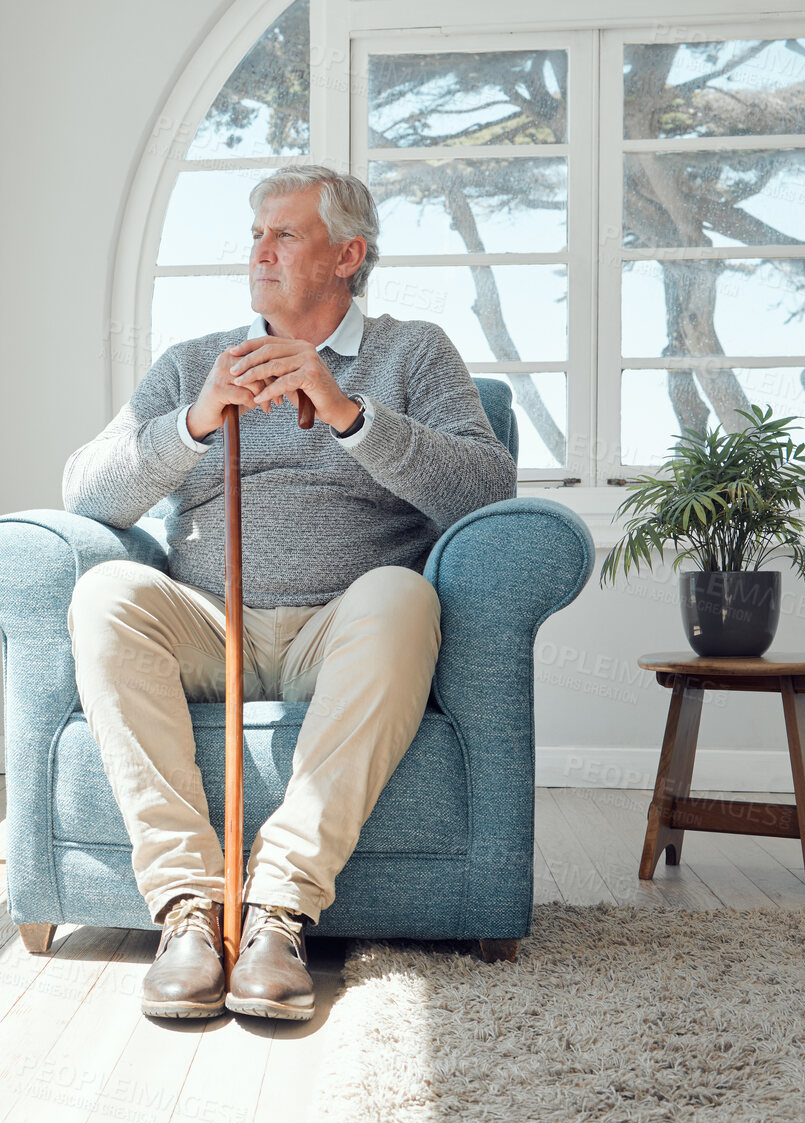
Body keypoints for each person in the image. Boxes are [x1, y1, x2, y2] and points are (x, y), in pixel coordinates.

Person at [61, 164, 516, 1021]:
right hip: (209, 626)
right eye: (255, 234)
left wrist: (348, 413)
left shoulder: (411, 351)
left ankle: (278, 908)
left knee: (402, 594)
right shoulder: (191, 362)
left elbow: (487, 491)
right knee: (106, 593)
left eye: (285, 234)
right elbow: (87, 495)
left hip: (341, 631)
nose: (259, 251)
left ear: (348, 254)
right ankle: (191, 909)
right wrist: (193, 422)